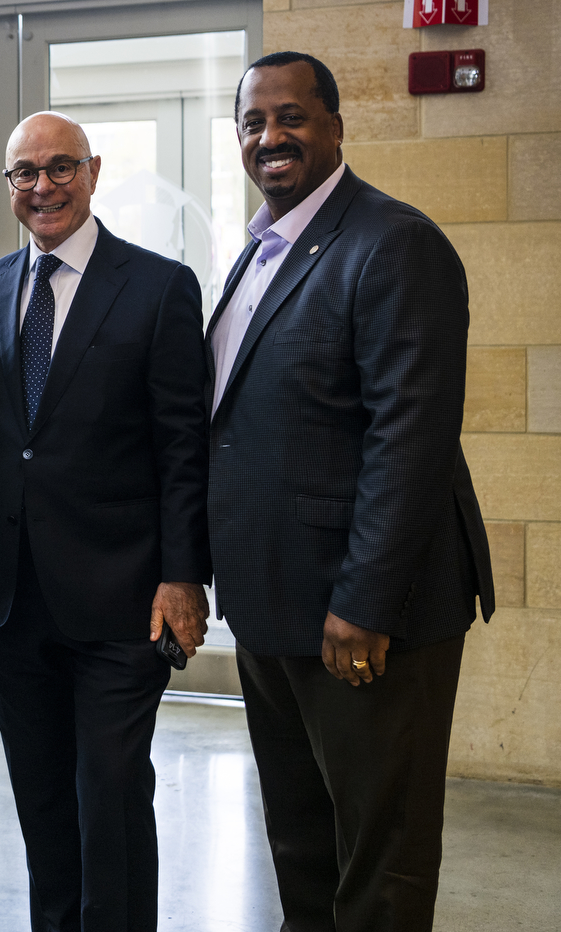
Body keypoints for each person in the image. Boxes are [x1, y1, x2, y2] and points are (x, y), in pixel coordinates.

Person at [208, 52, 494, 932]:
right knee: (301, 848)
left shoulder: (394, 243)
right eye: (254, 123)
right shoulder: (260, 253)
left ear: (335, 126)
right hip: (273, 609)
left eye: (291, 117)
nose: (271, 137)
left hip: (363, 620)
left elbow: (409, 438)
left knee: (382, 863)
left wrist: (363, 604)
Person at [0, 112, 211, 932]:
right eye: (23, 173)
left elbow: (183, 447)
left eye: (60, 167)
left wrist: (184, 576)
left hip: (122, 597)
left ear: (94, 171)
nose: (42, 187)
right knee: (39, 801)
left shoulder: (159, 286)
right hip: (11, 598)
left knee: (108, 793)